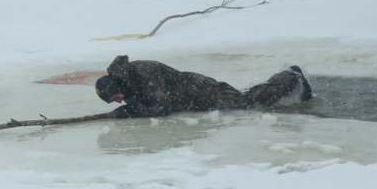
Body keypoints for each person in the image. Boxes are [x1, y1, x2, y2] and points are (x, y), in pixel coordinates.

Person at [94, 55, 313, 119]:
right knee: (245, 98)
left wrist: (131, 111)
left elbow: (161, 106)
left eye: (116, 97)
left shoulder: (144, 72)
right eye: (115, 101)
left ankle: (289, 77)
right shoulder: (128, 82)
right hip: (189, 99)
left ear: (116, 86)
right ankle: (284, 79)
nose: (119, 100)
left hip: (200, 91)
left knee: (247, 102)